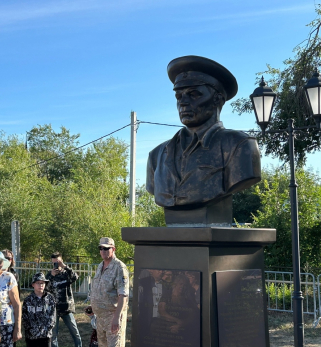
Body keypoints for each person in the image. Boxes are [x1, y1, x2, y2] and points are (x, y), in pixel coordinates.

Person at [146, 55, 261, 210]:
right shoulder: (156, 156)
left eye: (194, 94)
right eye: (179, 96)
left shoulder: (239, 145)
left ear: (217, 99)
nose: (183, 102)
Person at [86, 237, 129, 347]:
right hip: (100, 318)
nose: (103, 251)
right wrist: (93, 306)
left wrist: (116, 318)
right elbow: (99, 289)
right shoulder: (100, 265)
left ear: (113, 249)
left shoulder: (119, 267)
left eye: (106, 248)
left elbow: (123, 295)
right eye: (101, 248)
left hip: (112, 317)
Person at [46, 252, 82, 347]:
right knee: (53, 335)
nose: (56, 265)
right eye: (54, 263)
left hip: (66, 307)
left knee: (75, 332)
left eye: (57, 262)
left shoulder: (66, 273)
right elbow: (45, 289)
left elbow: (75, 277)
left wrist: (65, 266)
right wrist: (51, 276)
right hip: (54, 309)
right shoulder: (49, 275)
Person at [22, 272, 56, 347]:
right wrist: (33, 330)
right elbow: (25, 318)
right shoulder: (28, 300)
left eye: (42, 283)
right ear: (33, 284)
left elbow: (52, 316)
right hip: (32, 336)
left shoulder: (50, 298)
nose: (40, 285)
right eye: (38, 283)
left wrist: (45, 329)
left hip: (46, 335)